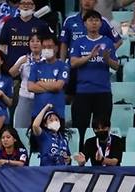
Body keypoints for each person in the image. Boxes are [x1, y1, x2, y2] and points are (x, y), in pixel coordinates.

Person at [70, 10, 120, 151]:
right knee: (80, 127)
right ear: (85, 23)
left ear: (101, 23)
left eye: (96, 20)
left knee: (102, 128)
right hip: (83, 92)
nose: (94, 23)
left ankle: (102, 156)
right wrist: (89, 56)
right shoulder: (78, 42)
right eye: (90, 20)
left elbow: (116, 66)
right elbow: (73, 63)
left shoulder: (107, 41)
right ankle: (81, 156)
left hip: (103, 91)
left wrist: (107, 59)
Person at [27, 33, 69, 120]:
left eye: (49, 47)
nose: (46, 49)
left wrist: (39, 83)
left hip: (57, 113)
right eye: (44, 47)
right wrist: (51, 87)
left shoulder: (63, 66)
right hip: (38, 113)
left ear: (56, 48)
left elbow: (58, 86)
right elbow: (30, 87)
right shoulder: (36, 66)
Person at [0, 0, 50, 68]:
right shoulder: (9, 23)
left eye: (29, 3)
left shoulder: (42, 25)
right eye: (23, 3)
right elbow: (2, 46)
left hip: (35, 67)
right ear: (19, 6)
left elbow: (48, 46)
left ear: (33, 6)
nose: (26, 5)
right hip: (12, 67)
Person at [9, 32, 42, 128]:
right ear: (28, 44)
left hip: (41, 98)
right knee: (21, 127)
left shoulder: (47, 59)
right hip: (25, 97)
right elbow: (11, 73)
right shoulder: (23, 58)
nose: (35, 43)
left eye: (38, 41)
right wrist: (20, 63)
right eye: (32, 41)